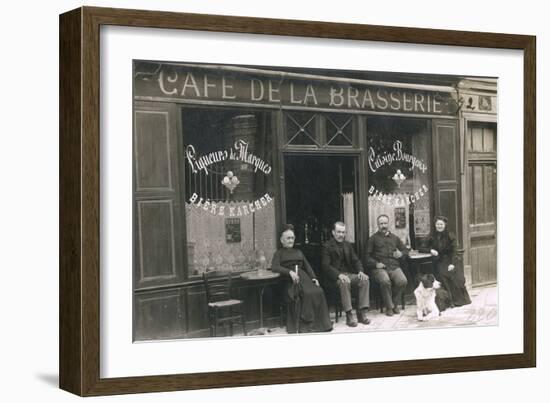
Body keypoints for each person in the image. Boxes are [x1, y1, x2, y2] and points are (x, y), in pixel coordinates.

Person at [271, 225, 332, 333]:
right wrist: (289, 272)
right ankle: (307, 325)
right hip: (290, 280)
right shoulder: (278, 253)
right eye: (288, 238)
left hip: (304, 277)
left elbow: (307, 266)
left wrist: (314, 278)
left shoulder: (298, 252)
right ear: (282, 240)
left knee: (319, 291)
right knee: (306, 293)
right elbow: (275, 267)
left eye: (292, 238)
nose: (290, 240)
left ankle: (322, 324)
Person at [321, 222, 371, 327]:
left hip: (349, 274)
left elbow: (356, 260)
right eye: (338, 232)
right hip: (334, 278)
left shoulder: (347, 245)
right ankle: (349, 314)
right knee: (344, 282)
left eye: (343, 232)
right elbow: (326, 266)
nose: (341, 235)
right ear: (333, 232)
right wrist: (339, 275)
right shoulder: (327, 246)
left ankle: (361, 313)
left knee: (364, 280)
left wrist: (360, 271)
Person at [420, 216, 471, 307]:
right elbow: (421, 248)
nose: (439, 226)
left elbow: (455, 251)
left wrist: (452, 263)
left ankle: (459, 300)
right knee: (442, 275)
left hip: (450, 260)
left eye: (441, 224)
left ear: (445, 225)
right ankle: (449, 301)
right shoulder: (431, 235)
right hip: (438, 261)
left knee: (456, 277)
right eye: (437, 224)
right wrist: (430, 250)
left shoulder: (450, 235)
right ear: (435, 225)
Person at [367, 214, 409, 316]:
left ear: (388, 224)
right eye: (381, 223)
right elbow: (367, 256)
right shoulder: (373, 239)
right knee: (385, 281)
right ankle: (389, 307)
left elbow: (405, 250)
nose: (383, 225)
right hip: (380, 268)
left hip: (394, 267)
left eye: (385, 223)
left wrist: (401, 253)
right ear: (378, 225)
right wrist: (376, 264)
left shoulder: (395, 238)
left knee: (403, 281)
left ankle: (394, 304)